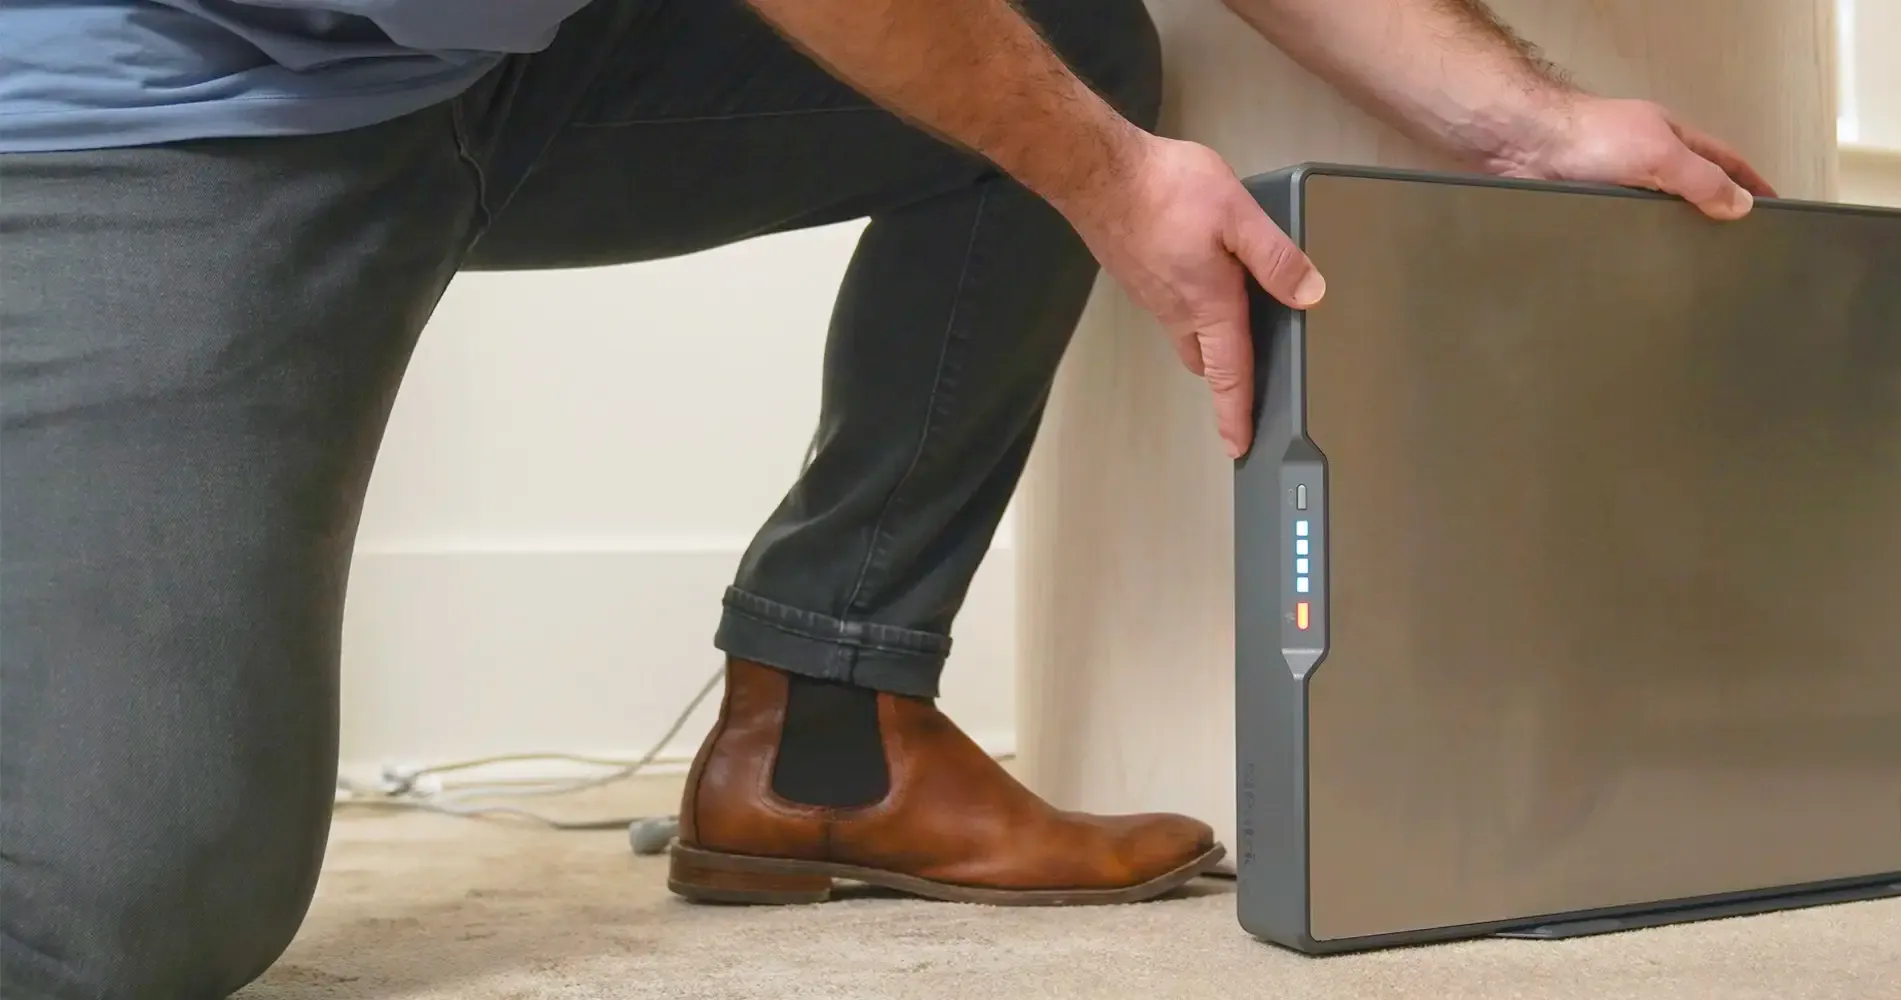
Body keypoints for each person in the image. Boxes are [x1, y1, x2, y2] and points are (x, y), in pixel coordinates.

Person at [0, 0, 1776, 995]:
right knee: (126, 923)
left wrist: (1525, 120)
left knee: (1064, 23)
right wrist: (1103, 175)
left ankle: (827, 735)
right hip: (142, 98)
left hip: (480, 64)